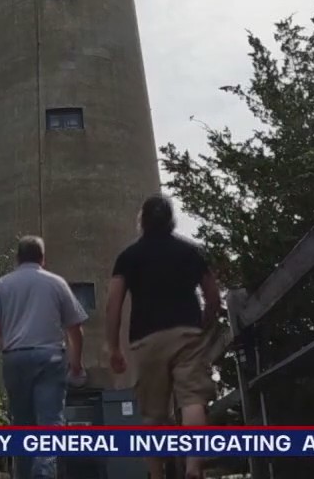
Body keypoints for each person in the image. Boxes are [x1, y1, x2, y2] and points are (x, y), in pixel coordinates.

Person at [106, 194, 221, 479]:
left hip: (147, 339)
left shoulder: (128, 256)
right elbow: (213, 295)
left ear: (141, 221)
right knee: (192, 400)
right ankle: (194, 466)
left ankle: (157, 475)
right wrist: (205, 324)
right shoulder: (190, 251)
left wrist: (113, 347)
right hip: (187, 333)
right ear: (171, 220)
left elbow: (113, 303)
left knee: (153, 414)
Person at [0, 235, 87, 479]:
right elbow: (75, 329)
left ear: (17, 258)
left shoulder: (3, 285)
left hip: (15, 360)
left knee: (22, 427)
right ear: (43, 259)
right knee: (49, 425)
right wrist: (76, 365)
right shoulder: (56, 283)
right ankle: (43, 474)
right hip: (50, 359)